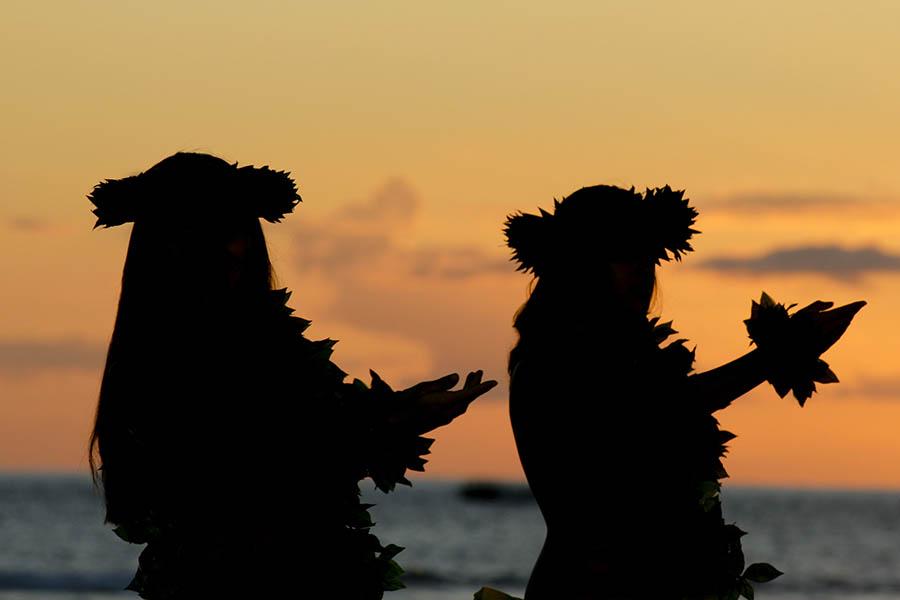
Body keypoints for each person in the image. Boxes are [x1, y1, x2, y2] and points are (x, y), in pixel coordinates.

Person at [87, 152, 497, 599]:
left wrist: (403, 410)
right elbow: (272, 464)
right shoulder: (175, 357)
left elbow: (312, 436)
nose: (236, 248)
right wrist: (398, 418)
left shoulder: (251, 342)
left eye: (241, 231)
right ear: (173, 246)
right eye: (216, 233)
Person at [504, 185, 864, 600]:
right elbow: (658, 408)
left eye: (648, 256)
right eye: (622, 255)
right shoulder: (553, 358)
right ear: (577, 267)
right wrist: (778, 354)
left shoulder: (627, 362)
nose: (642, 270)